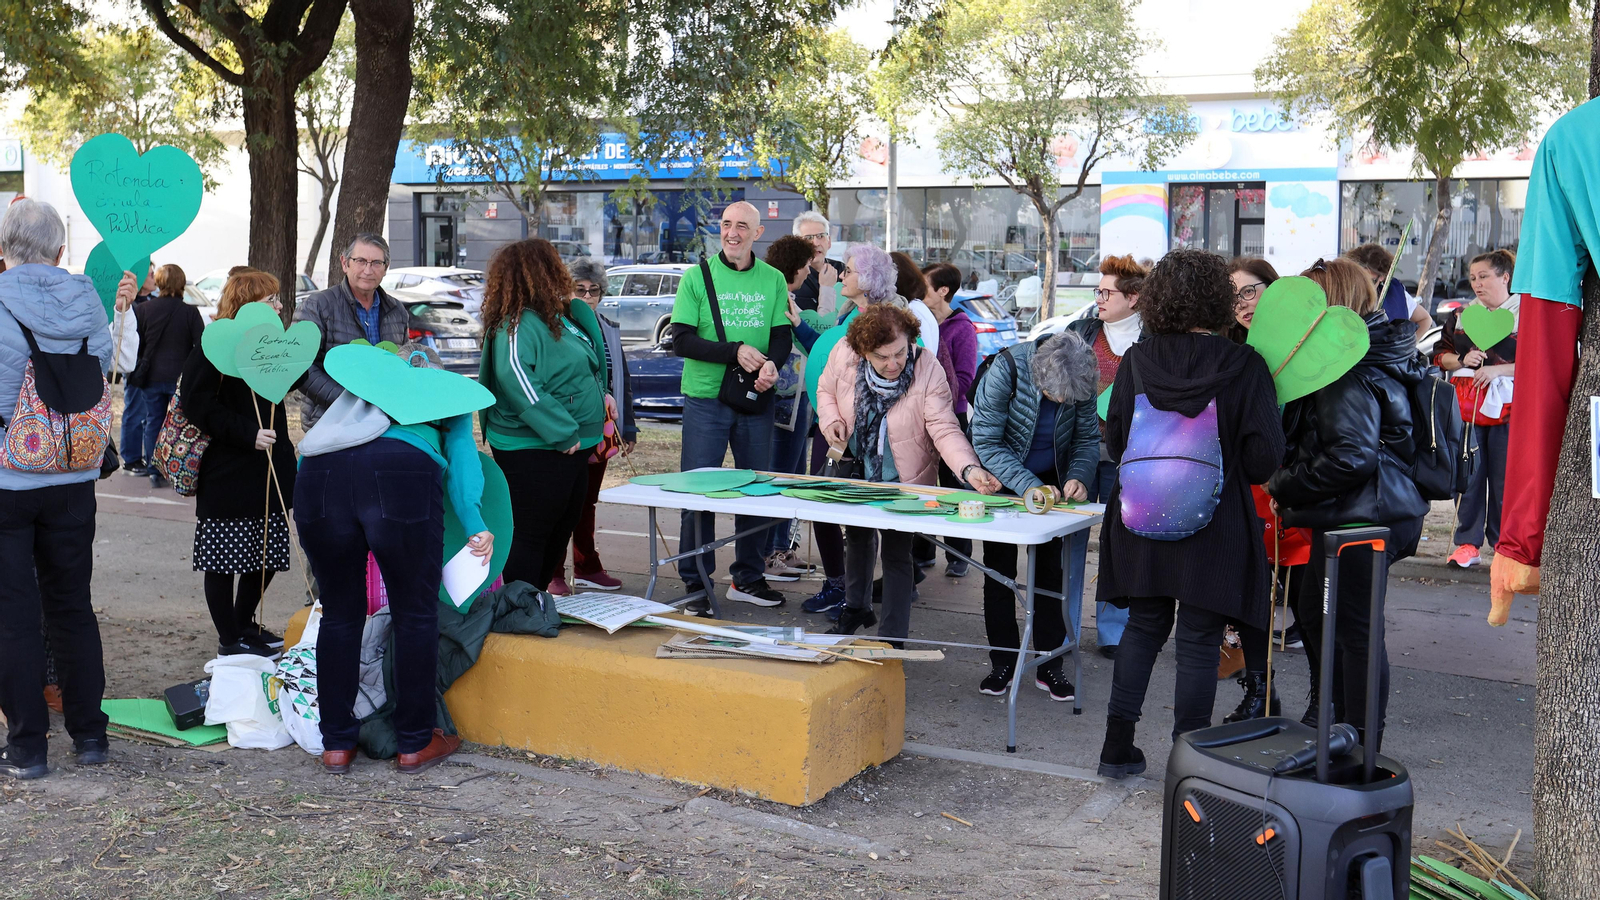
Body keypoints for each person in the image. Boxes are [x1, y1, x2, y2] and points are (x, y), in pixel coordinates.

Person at [1095, 249, 1285, 780]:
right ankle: (1189, 764)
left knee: (1144, 625)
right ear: (1218, 299)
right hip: (1216, 521)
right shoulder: (1244, 364)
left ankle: (1117, 748)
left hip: (1143, 515)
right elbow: (1264, 456)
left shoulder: (1137, 361)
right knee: (1199, 639)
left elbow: (1115, 441)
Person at [297, 343, 493, 775]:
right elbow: (462, 457)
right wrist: (475, 520)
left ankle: (336, 744)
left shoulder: (356, 392)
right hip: (401, 472)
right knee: (414, 613)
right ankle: (414, 743)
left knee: (339, 614)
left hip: (317, 477)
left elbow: (310, 452)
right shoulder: (446, 392)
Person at [1267, 257, 1429, 748]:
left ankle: (1359, 751)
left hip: (1361, 516)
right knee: (1332, 626)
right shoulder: (1377, 353)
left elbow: (1351, 456)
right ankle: (1347, 741)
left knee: (1353, 635)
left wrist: (1284, 485)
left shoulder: (1348, 367)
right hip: (1361, 513)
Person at [0, 199, 124, 779]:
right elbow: (101, 374)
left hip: (9, 476)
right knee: (73, 605)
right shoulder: (89, 303)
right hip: (74, 477)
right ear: (59, 250)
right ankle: (90, 735)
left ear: (5, 248)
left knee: (14, 613)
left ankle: (28, 748)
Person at [816, 302, 1001, 643]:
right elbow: (825, 390)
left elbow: (944, 427)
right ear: (863, 351)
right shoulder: (844, 353)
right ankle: (855, 607)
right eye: (881, 357)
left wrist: (969, 468)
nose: (893, 364)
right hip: (856, 466)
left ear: (911, 340)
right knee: (856, 538)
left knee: (897, 553)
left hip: (905, 475)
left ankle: (892, 637)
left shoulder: (927, 367)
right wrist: (831, 421)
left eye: (900, 353)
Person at [666, 200, 792, 612]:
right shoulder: (697, 277)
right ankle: (696, 583)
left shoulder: (773, 278)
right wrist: (734, 351)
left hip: (756, 399)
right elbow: (681, 339)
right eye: (725, 224)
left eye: (742, 226)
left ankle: (748, 578)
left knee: (755, 491)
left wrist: (772, 364)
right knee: (698, 493)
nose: (732, 232)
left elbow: (781, 336)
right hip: (706, 399)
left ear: (758, 233)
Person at [969, 329, 1100, 701]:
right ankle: (1004, 663)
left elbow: (1087, 439)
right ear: (1038, 375)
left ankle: (1050, 663)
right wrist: (1026, 485)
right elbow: (987, 441)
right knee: (999, 575)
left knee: (1050, 575)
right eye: (1054, 396)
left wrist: (1078, 476)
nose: (1061, 402)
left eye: (1068, 399)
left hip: (1052, 485)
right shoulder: (1007, 368)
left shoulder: (1082, 377)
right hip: (1002, 481)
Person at [479, 240, 611, 593]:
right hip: (536, 447)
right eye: (554, 266)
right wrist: (563, 432)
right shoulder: (516, 324)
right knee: (532, 531)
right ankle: (519, 605)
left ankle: (533, 600)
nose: (562, 274)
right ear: (539, 273)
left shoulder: (557, 317)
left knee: (561, 525)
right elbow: (518, 379)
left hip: (573, 445)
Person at [180, 270, 299, 656]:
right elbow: (196, 402)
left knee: (265, 556)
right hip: (228, 472)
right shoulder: (215, 345)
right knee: (223, 560)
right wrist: (247, 433)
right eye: (271, 300)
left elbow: (288, 383)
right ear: (248, 304)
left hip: (270, 470)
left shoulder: (272, 343)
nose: (280, 306)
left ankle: (243, 623)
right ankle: (230, 641)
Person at [1220, 256, 1302, 722]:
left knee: (1305, 608)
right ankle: (1258, 691)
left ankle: (1322, 701)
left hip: (1295, 488)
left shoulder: (1306, 346)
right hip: (1245, 491)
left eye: (1250, 290)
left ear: (1274, 287)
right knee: (1246, 599)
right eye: (1233, 296)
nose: (1243, 304)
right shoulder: (1230, 353)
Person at [1066, 254, 1148, 659]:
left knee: (1119, 545)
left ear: (1133, 297)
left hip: (1128, 456)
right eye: (1097, 291)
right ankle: (1062, 627)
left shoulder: (1153, 338)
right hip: (1079, 451)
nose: (1099, 298)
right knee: (1069, 542)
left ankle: (1113, 632)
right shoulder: (1080, 331)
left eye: (1106, 291)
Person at [546, 257, 638, 597]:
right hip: (566, 430)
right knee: (560, 503)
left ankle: (587, 566)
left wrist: (628, 428)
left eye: (593, 290)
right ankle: (553, 570)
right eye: (579, 289)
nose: (586, 296)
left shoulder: (608, 326)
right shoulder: (555, 326)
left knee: (587, 502)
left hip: (602, 429)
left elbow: (621, 380)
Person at [1434, 249, 1517, 570]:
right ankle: (1467, 543)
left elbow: (1539, 362)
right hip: (1467, 405)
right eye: (1473, 278)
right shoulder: (1462, 315)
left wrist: (1499, 370)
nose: (1477, 283)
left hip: (1511, 407)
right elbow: (1440, 355)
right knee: (1468, 472)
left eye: (1484, 276)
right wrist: (1461, 360)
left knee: (1504, 478)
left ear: (1505, 276)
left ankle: (1504, 546)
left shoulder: (1527, 313)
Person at [293, 233, 410, 430]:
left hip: (386, 422)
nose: (368, 270)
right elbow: (300, 366)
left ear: (385, 268)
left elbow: (402, 364)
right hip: (331, 422)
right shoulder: (318, 306)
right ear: (345, 263)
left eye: (376, 263)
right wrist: (350, 402)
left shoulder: (396, 311)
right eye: (361, 261)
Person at [760, 235, 822, 582]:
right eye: (806, 268)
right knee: (780, 477)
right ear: (797, 268)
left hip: (798, 400)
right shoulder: (778, 296)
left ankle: (782, 548)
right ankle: (771, 553)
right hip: (785, 400)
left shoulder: (783, 294)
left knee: (793, 476)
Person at [913, 262, 979, 577]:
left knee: (954, 487)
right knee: (923, 486)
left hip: (951, 417)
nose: (918, 292)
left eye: (924, 286)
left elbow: (965, 378)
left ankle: (958, 555)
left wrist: (937, 398)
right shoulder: (916, 321)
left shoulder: (962, 327)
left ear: (943, 291)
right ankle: (922, 551)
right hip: (919, 417)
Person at [130, 264, 204, 489]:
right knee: (179, 425)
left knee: (153, 421)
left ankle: (154, 470)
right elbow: (200, 347)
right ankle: (178, 467)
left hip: (150, 377)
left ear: (160, 283)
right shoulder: (190, 312)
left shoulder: (143, 310)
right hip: (180, 379)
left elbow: (137, 344)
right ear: (181, 283)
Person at [118, 261, 159, 475]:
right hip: (135, 365)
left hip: (149, 365)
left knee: (144, 412)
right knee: (134, 409)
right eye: (151, 275)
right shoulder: (131, 306)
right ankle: (131, 457)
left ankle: (139, 456)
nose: (155, 278)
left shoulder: (154, 301)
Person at [1344, 243, 1434, 332]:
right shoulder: (1343, 294)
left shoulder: (1395, 294)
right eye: (1360, 280)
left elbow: (1425, 320)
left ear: (1382, 277)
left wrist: (1407, 345)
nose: (1364, 286)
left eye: (1371, 281)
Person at [790, 210, 843, 315]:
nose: (815, 243)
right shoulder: (790, 275)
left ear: (829, 242)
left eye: (820, 236)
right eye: (808, 238)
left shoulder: (842, 271)